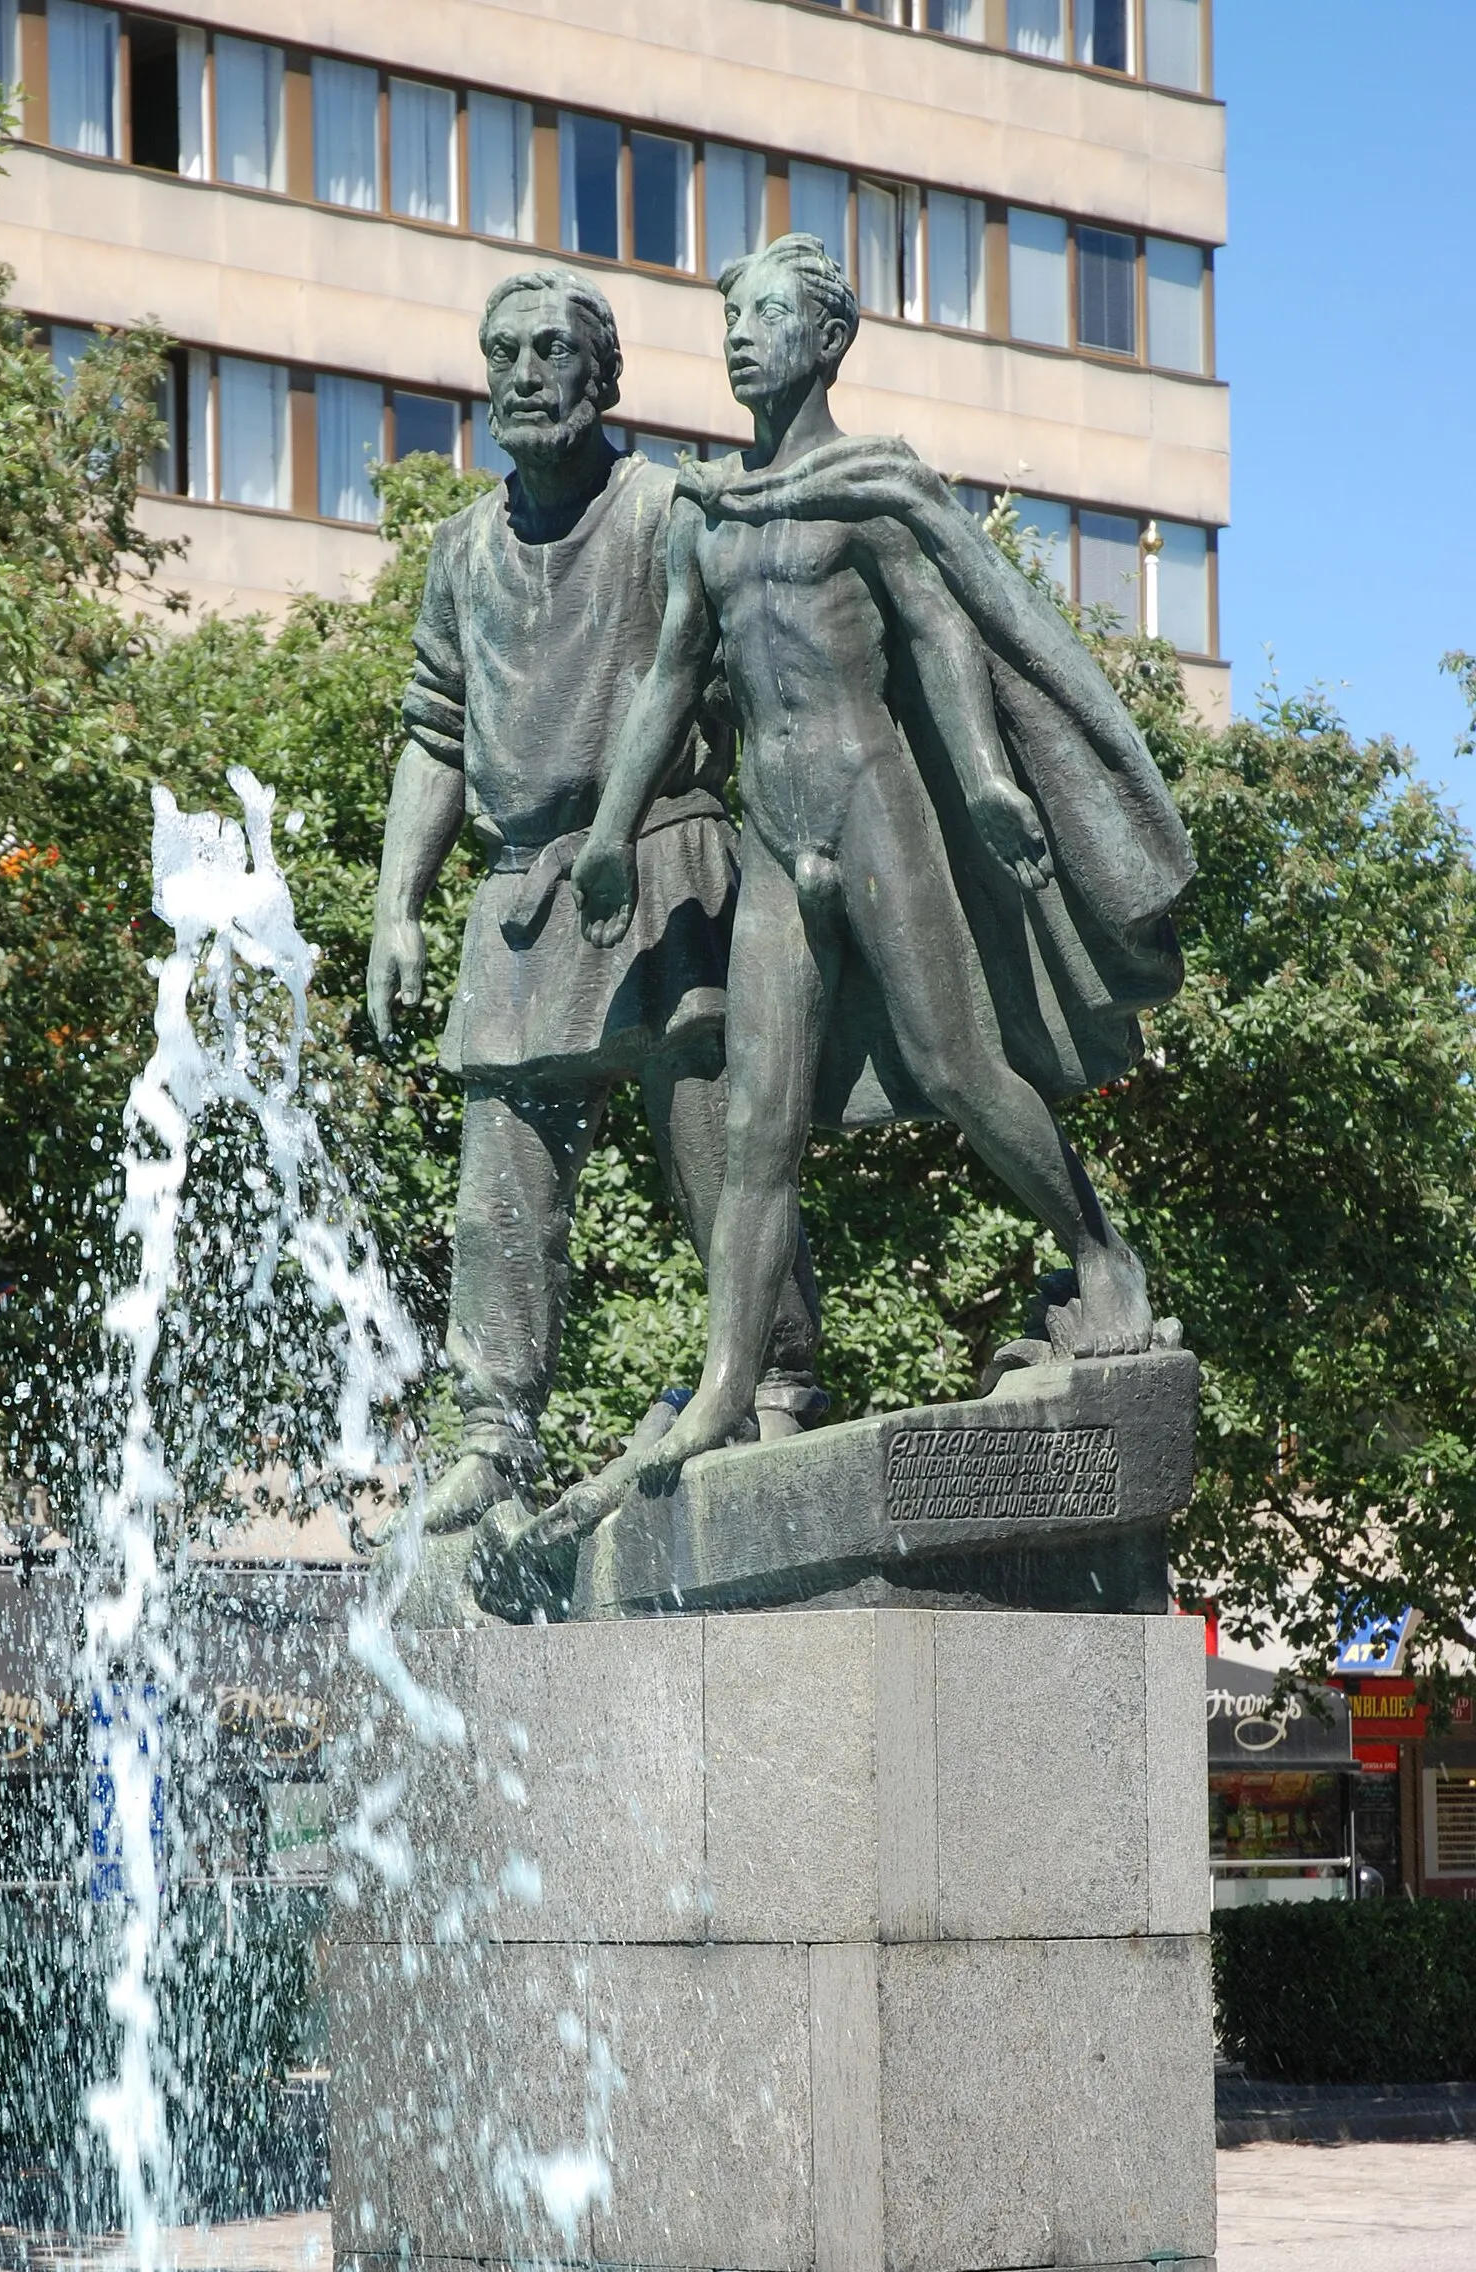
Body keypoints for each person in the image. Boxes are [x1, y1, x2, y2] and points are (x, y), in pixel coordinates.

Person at [570, 233, 1194, 1486]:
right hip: (771, 832)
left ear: (827, 338)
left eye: (763, 316)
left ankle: (1098, 1249)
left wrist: (982, 775)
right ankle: (723, 1388)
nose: (740, 337)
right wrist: (605, 829)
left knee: (958, 1067)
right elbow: (663, 683)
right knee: (755, 1122)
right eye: (729, 318)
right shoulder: (705, 517)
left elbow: (941, 632)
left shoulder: (870, 487)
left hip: (875, 807)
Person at [367, 264, 816, 1536]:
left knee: (720, 1150)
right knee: (497, 1186)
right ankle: (493, 1434)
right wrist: (398, 903)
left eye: (550, 350)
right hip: (517, 895)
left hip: (664, 862)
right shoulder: (460, 549)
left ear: (600, 376)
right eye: (500, 349)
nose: (521, 372)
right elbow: (434, 731)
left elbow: (762, 684)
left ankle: (775, 1376)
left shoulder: (669, 507)